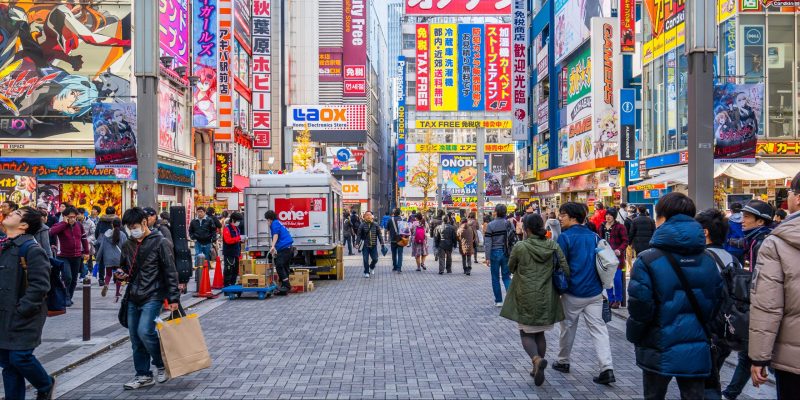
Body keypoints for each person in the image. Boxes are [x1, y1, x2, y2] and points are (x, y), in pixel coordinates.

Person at [626, 192, 722, 400]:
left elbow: (640, 308)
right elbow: (717, 302)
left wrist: (634, 335)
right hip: (696, 344)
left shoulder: (647, 260)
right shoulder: (708, 259)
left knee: (654, 395)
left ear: (662, 218)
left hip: (657, 343)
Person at [500, 214, 570, 387]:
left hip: (525, 294)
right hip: (547, 296)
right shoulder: (553, 245)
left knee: (526, 333)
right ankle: (537, 366)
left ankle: (536, 360)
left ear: (527, 229)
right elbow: (565, 268)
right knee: (540, 333)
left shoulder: (520, 246)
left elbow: (510, 267)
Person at [749, 171, 800, 399]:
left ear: (797, 198)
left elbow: (768, 305)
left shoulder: (777, 242)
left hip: (793, 359)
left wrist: (759, 357)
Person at [117, 208, 180, 390]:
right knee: (135, 337)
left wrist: (173, 297)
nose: (132, 230)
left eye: (134, 226)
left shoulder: (160, 242)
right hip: (133, 295)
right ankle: (143, 375)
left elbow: (170, 271)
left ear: (145, 223)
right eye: (129, 227)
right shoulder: (128, 244)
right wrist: (121, 274)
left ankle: (160, 363)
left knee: (145, 331)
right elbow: (125, 267)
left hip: (153, 294)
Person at [554, 202, 615, 385]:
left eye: (562, 215)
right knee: (599, 330)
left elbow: (559, 265)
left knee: (567, 327)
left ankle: (563, 361)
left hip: (573, 292)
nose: (560, 218)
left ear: (573, 217)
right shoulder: (594, 236)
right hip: (595, 291)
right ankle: (607, 367)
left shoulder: (565, 238)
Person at [0, 206, 56, 400]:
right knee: (8, 362)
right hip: (5, 315)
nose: (9, 214)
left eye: (16, 214)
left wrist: (22, 309)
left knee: (19, 357)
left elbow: (40, 286)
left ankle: (45, 383)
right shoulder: (6, 245)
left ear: (23, 225)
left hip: (25, 315)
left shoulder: (31, 249)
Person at [722, 199, 774, 400]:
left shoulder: (762, 243)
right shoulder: (754, 240)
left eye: (747, 217)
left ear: (760, 221)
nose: (742, 221)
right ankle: (730, 393)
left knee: (755, 353)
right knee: (749, 353)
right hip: (759, 304)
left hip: (763, 305)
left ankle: (730, 393)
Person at [695, 208, 741, 399]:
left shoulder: (701, 259)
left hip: (706, 330)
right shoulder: (734, 261)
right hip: (727, 330)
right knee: (713, 376)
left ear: (705, 232)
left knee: (704, 383)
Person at [50, 206, 90, 306]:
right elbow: (52, 232)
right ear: (64, 217)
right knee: (67, 277)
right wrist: (64, 223)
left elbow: (84, 239)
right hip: (63, 256)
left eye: (74, 217)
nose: (72, 219)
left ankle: (69, 297)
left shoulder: (79, 225)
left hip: (76, 256)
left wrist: (86, 252)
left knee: (74, 279)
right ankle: (65, 296)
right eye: (70, 217)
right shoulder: (60, 225)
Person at [485, 204, 513, 307]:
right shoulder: (509, 224)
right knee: (506, 276)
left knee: (495, 277)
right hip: (507, 253)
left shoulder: (491, 225)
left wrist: (487, 257)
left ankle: (499, 300)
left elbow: (488, 243)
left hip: (494, 253)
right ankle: (511, 300)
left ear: (496, 212)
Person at [599, 208, 628, 309]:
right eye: (607, 215)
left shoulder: (620, 227)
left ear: (614, 216)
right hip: (605, 256)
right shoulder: (602, 226)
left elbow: (625, 241)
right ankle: (611, 299)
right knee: (607, 280)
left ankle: (618, 300)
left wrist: (619, 250)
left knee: (616, 280)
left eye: (610, 215)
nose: (608, 216)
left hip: (617, 257)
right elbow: (600, 240)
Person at [96, 219, 127, 300]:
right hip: (118, 258)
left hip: (108, 258)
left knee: (108, 274)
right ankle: (117, 292)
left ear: (112, 225)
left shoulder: (106, 234)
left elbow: (102, 247)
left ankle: (106, 285)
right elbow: (126, 247)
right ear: (120, 225)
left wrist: (98, 258)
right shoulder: (123, 235)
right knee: (118, 276)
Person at [264, 210, 293, 295]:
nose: (267, 222)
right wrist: (275, 248)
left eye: (267, 220)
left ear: (269, 219)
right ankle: (284, 287)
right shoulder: (278, 222)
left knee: (279, 265)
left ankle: (286, 285)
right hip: (288, 248)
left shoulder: (275, 224)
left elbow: (275, 235)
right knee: (285, 266)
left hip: (285, 248)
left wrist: (272, 246)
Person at [94, 207, 119, 288]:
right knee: (115, 259)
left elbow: (97, 232)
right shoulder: (116, 219)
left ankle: (101, 279)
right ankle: (115, 277)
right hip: (114, 242)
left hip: (102, 242)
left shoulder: (101, 220)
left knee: (101, 261)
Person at [357, 211, 385, 278]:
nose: (368, 216)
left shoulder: (375, 224)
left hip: (373, 245)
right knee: (365, 259)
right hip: (365, 246)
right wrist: (357, 243)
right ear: (364, 217)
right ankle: (366, 272)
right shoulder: (362, 225)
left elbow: (379, 234)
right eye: (367, 215)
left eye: (370, 215)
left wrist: (382, 243)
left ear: (372, 216)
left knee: (375, 259)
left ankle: (371, 267)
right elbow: (359, 235)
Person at [221, 212, 244, 287]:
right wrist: (239, 238)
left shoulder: (237, 228)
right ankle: (227, 286)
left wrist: (242, 239)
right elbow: (228, 240)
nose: (239, 223)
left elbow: (236, 239)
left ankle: (233, 284)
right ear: (233, 220)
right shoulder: (227, 228)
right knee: (228, 269)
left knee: (235, 269)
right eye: (238, 221)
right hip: (229, 252)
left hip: (236, 252)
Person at [77, 207, 95, 279]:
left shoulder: (90, 222)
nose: (77, 216)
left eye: (78, 214)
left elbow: (93, 234)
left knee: (87, 259)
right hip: (77, 245)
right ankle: (82, 274)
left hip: (87, 245)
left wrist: (87, 240)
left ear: (82, 214)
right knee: (79, 260)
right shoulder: (75, 222)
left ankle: (86, 274)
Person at [386, 208, 406, 273]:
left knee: (394, 254)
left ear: (394, 213)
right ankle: (399, 268)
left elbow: (387, 230)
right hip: (401, 239)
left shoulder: (390, 219)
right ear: (400, 213)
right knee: (400, 254)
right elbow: (406, 230)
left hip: (393, 239)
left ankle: (395, 266)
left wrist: (387, 238)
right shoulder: (402, 219)